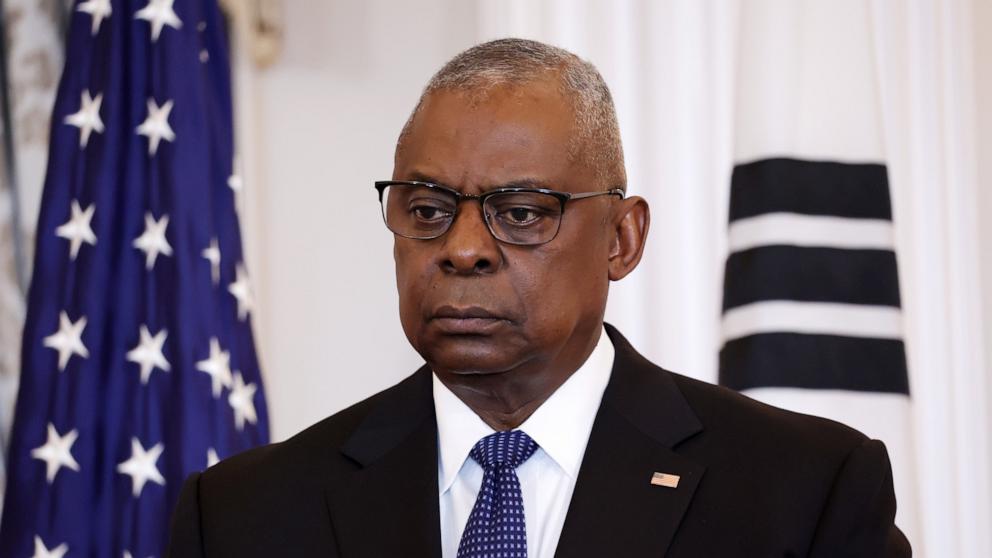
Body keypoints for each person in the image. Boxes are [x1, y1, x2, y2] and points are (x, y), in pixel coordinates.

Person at [166, 38, 911, 558]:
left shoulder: (805, 492)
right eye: (426, 209)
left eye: (521, 212)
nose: (462, 248)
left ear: (622, 238)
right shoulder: (243, 515)